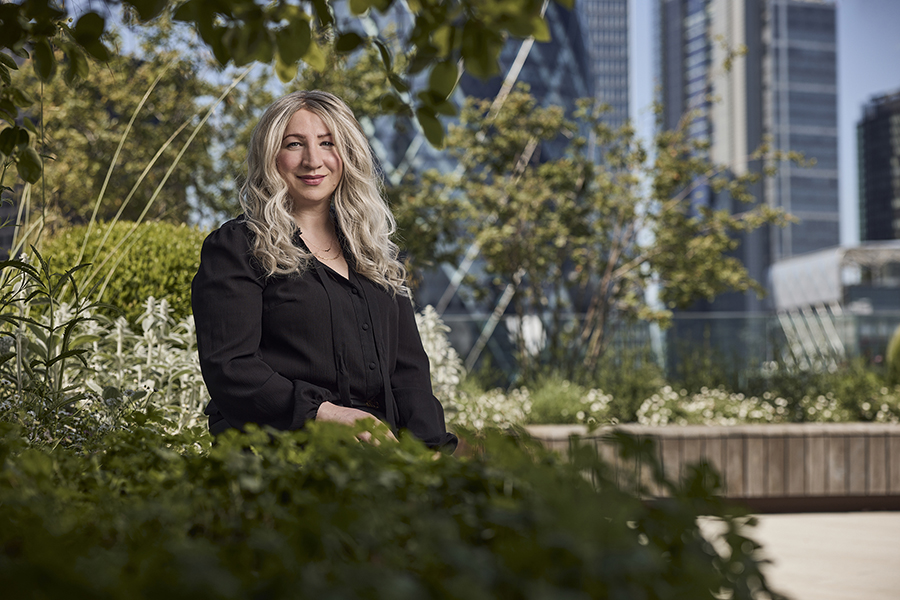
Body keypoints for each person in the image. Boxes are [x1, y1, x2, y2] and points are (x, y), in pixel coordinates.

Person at [191, 90, 457, 452]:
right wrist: (327, 414)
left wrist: (431, 452)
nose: (313, 160)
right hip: (281, 456)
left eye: (327, 143)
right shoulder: (238, 247)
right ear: (271, 155)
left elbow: (408, 373)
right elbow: (231, 368)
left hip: (379, 460)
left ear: (347, 154)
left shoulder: (373, 253)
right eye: (294, 144)